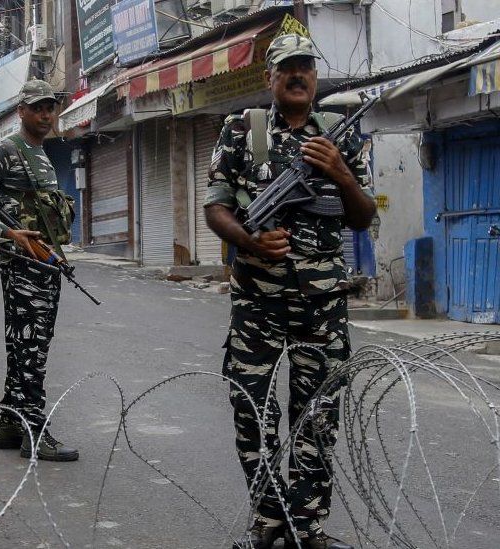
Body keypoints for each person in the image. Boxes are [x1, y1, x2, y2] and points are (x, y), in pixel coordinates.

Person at [204, 35, 375, 549]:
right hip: (258, 300)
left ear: (315, 77)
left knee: (318, 416)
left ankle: (307, 523)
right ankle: (268, 517)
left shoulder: (338, 137)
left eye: (305, 67)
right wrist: (249, 238)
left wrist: (341, 173)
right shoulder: (242, 130)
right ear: (270, 78)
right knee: (252, 410)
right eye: (287, 68)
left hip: (322, 304)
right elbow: (215, 208)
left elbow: (363, 217)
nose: (297, 75)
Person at [0, 79, 79, 462]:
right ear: (22, 112)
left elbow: (45, 213)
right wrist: (8, 233)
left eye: (51, 108)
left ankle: (10, 426)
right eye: (38, 108)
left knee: (26, 346)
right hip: (23, 266)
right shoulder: (6, 150)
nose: (46, 115)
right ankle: (34, 429)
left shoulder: (41, 154)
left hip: (45, 263)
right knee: (30, 349)